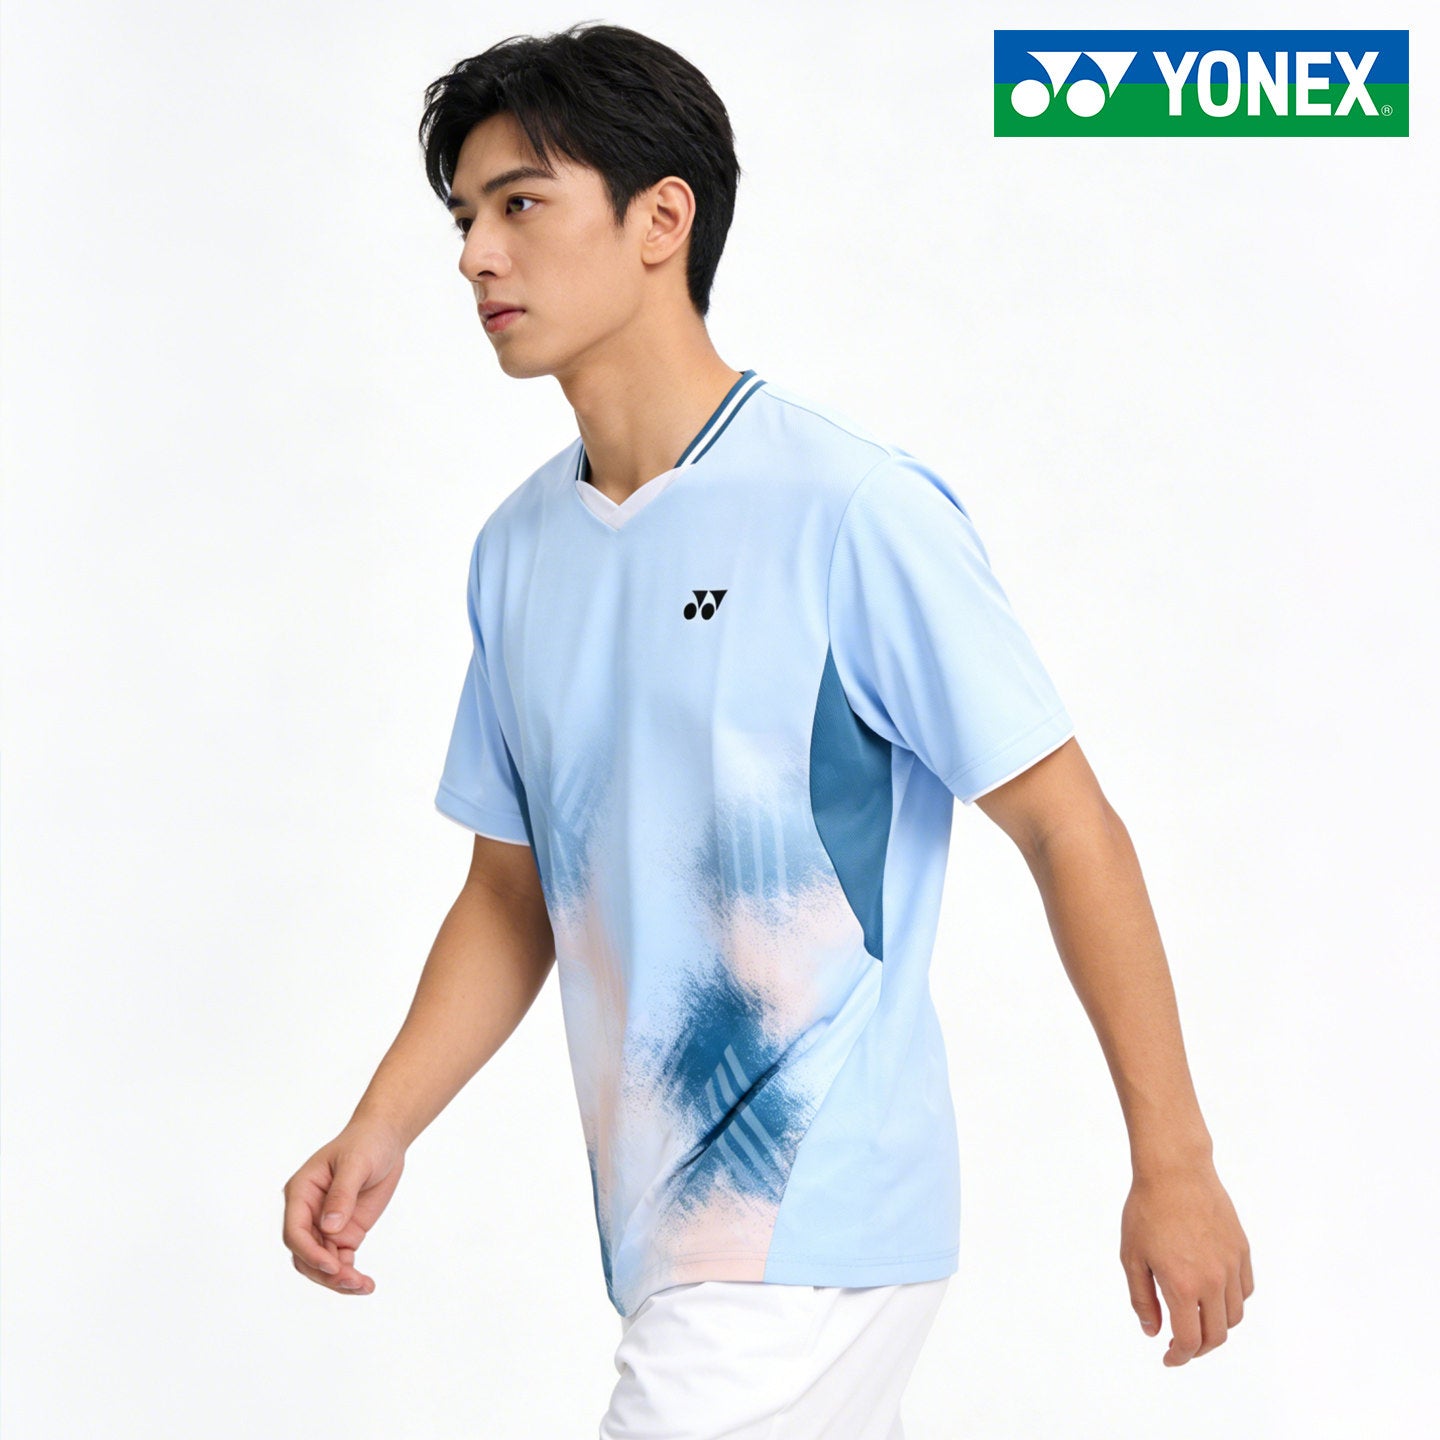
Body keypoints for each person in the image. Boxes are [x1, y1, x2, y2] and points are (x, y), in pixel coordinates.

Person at [281, 21, 1254, 1437]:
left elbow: (1064, 822)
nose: (477, 256)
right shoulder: (516, 554)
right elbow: (511, 891)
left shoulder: (850, 511)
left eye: (520, 204)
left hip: (808, 1218)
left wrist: (1175, 1161)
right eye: (465, 217)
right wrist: (383, 1124)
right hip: (670, 1247)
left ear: (661, 220)